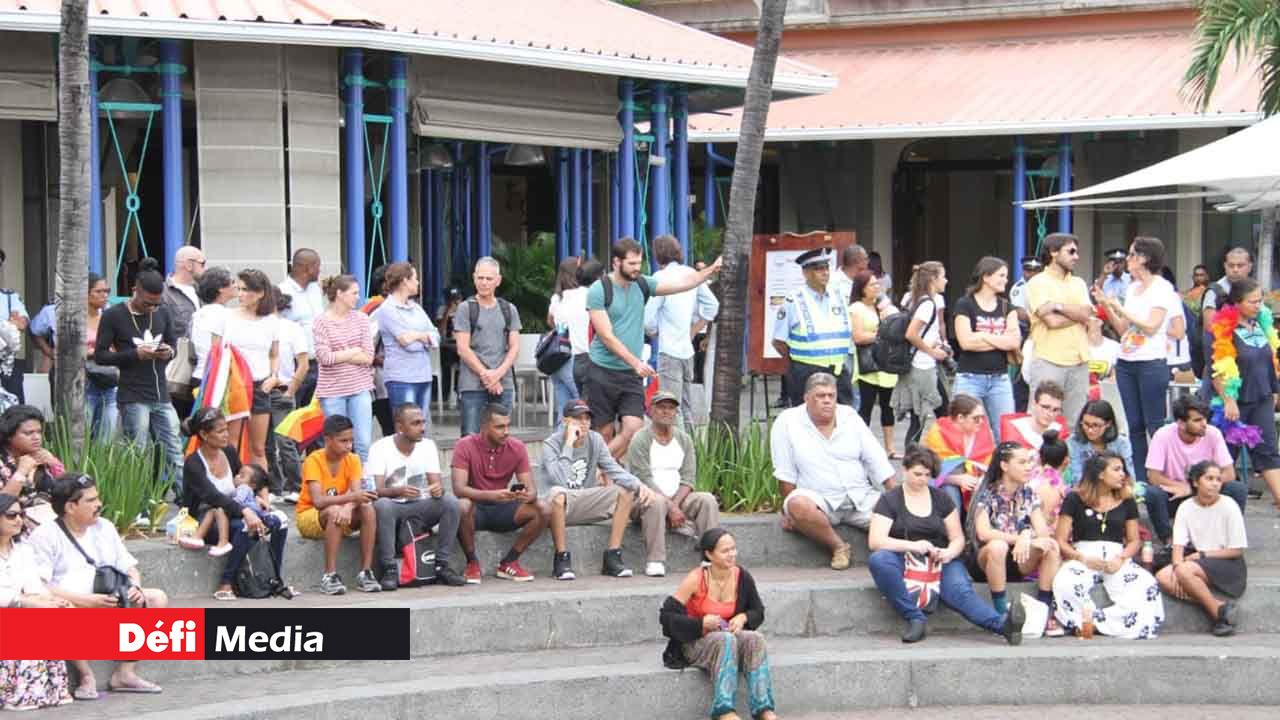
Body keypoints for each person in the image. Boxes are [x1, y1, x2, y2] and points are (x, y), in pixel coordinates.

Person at [867, 445, 1025, 644]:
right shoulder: (889, 500)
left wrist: (949, 552)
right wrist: (913, 546)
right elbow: (876, 540)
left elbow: (957, 538)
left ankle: (1002, 626)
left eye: (927, 475)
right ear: (904, 470)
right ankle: (914, 616)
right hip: (902, 556)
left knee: (960, 591)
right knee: (879, 560)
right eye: (917, 474)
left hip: (940, 558)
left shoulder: (940, 498)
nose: (922, 480)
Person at [30, 474, 168, 693]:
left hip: (111, 601)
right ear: (70, 507)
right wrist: (87, 601)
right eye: (91, 501)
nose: (99, 504)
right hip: (73, 604)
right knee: (57, 610)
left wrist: (135, 586)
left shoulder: (104, 526)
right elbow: (39, 586)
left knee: (156, 597)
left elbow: (128, 566)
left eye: (98, 498)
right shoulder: (45, 534)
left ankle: (125, 673)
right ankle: (85, 677)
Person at [589, 239, 722, 458]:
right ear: (616, 262)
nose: (636, 268)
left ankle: (598, 467)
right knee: (604, 432)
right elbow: (606, 336)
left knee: (632, 428)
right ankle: (604, 476)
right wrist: (636, 362)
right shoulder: (599, 289)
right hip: (603, 370)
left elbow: (682, 285)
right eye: (631, 263)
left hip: (631, 373)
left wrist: (710, 270)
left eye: (639, 263)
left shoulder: (643, 284)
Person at [771, 372, 895, 570]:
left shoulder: (849, 416)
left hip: (861, 498)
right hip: (820, 501)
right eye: (820, 396)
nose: (827, 401)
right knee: (797, 504)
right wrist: (787, 511)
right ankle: (838, 546)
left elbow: (877, 459)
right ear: (806, 398)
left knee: (906, 517)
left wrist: (896, 497)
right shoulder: (787, 422)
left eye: (831, 396)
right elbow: (785, 472)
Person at [537, 399, 665, 579]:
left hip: (585, 500)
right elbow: (560, 479)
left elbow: (614, 470)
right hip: (556, 505)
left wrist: (640, 486)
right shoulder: (551, 444)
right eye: (577, 418)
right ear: (565, 421)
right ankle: (562, 558)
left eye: (587, 419)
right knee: (558, 494)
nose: (583, 423)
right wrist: (569, 445)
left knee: (625, 491)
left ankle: (613, 556)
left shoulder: (595, 440)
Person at [1093, 237, 1183, 487]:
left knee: (1154, 423)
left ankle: (1163, 476)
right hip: (1127, 359)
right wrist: (1107, 306)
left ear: (1144, 258)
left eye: (1132, 255)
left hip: (1151, 361)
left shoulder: (1162, 287)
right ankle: (1141, 480)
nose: (1127, 260)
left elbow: (1153, 326)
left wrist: (1119, 308)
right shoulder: (1132, 288)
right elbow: (1124, 329)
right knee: (1133, 424)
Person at [659, 528, 776, 720]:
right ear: (709, 554)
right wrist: (701, 623)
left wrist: (743, 618)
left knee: (755, 638)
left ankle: (763, 708)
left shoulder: (742, 576)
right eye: (725, 551)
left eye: (733, 549)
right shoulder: (696, 579)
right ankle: (724, 710)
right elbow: (666, 616)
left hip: (726, 639)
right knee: (726, 639)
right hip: (696, 643)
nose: (732, 554)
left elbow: (758, 611)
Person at [179, 408, 293, 600]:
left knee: (279, 521)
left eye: (226, 429)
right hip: (207, 518)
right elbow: (213, 496)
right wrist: (246, 511)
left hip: (234, 509)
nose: (226, 434)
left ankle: (274, 578)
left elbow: (245, 479)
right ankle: (226, 582)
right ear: (204, 435)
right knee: (244, 527)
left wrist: (258, 499)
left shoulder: (229, 452)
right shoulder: (193, 463)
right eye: (220, 431)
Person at [94, 258, 184, 495]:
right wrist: (135, 354)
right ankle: (140, 503)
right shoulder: (114, 315)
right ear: (135, 291)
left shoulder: (162, 312)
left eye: (156, 303)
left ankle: (187, 501)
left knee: (174, 448)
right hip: (133, 394)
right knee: (138, 451)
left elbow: (173, 343)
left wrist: (168, 351)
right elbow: (100, 356)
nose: (152, 308)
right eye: (147, 303)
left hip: (161, 393)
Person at [1052, 452, 1164, 639]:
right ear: (1100, 474)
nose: (1123, 474)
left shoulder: (1127, 500)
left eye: (1123, 470)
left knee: (1146, 584)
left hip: (1116, 556)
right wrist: (1082, 558)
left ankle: (1095, 622)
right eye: (1116, 469)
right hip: (1083, 556)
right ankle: (1084, 621)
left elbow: (1134, 540)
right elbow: (1061, 540)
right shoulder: (1074, 499)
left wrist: (1121, 559)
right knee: (1065, 583)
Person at [365, 403, 466, 590]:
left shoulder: (427, 446)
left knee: (450, 502)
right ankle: (389, 568)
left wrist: (438, 489)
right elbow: (375, 491)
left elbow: (437, 485)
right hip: (393, 508)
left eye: (423, 422)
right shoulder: (380, 448)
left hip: (419, 506)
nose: (422, 428)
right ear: (400, 426)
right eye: (416, 423)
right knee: (383, 505)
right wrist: (398, 491)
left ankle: (442, 565)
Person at [970, 442, 1063, 633]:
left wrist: (1026, 535)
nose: (1029, 467)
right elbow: (983, 533)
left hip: (1019, 558)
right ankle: (1001, 613)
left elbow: (1042, 532)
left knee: (1050, 545)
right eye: (1022, 462)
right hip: (986, 559)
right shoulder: (986, 490)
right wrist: (1017, 539)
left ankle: (1044, 609)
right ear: (1004, 466)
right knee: (998, 546)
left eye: (1029, 461)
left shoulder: (1028, 492)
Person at [1205, 278, 1280, 509]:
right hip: (1235, 402)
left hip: (1262, 399)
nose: (1259, 306)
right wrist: (1228, 400)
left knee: (1268, 450)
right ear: (1237, 303)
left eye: (1260, 301)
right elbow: (1217, 371)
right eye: (1253, 302)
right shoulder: (1224, 330)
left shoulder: (1261, 324)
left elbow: (1271, 362)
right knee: (1225, 454)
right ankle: (1210, 503)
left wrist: (1275, 391)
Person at [452, 404, 548, 583]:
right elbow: (459, 489)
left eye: (507, 426)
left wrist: (528, 495)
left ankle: (510, 561)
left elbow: (532, 488)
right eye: (499, 427)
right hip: (476, 510)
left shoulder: (517, 447)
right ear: (484, 427)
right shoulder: (464, 445)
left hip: (504, 508)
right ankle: (472, 562)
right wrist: (492, 495)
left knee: (542, 508)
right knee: (461, 505)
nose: (506, 432)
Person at [0, 492, 74, 709]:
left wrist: (51, 600)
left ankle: (51, 691)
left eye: (21, 514)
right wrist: (23, 601)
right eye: (11, 515)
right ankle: (20, 694)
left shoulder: (22, 550)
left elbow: (33, 585)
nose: (19, 520)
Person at [1155, 461, 1246, 637]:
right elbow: (1178, 546)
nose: (1215, 483)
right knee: (1163, 577)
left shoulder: (1229, 505)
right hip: (1198, 562)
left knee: (1185, 570)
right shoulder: (1186, 507)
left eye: (1218, 479)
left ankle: (1217, 614)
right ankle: (1219, 608)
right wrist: (1176, 567)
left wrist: (1201, 555)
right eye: (1209, 478)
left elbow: (1237, 550)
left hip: (1227, 561)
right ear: (1196, 482)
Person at [1145, 395, 1249, 544]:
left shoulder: (1213, 434)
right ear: (1181, 423)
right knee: (1153, 493)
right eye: (1197, 420)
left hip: (1204, 491)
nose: (1204, 424)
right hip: (1175, 493)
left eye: (1204, 419)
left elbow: (1229, 473)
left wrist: (1194, 487)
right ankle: (1170, 541)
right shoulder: (1162, 435)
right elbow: (1153, 476)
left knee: (1237, 489)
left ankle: (1227, 539)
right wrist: (1179, 487)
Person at [297, 414, 380, 595]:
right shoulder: (313, 460)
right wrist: (346, 503)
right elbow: (318, 501)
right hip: (310, 515)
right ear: (327, 440)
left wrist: (348, 507)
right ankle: (329, 575)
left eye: (351, 440)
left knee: (367, 508)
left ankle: (366, 572)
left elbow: (357, 494)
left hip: (342, 513)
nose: (349, 446)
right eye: (343, 441)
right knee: (334, 511)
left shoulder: (353, 459)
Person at [645, 235, 721, 429]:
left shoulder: (659, 278)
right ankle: (692, 450)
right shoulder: (691, 273)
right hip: (687, 350)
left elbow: (648, 320)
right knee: (686, 408)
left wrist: (654, 331)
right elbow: (713, 305)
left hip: (668, 350)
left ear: (657, 255)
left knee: (669, 407)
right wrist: (694, 329)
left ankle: (676, 451)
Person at [626, 390, 722, 543]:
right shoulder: (640, 439)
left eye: (671, 408)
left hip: (679, 500)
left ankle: (710, 553)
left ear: (675, 412)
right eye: (661, 407)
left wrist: (674, 506)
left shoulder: (684, 439)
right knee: (657, 502)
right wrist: (669, 506)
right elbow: (643, 479)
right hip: (647, 500)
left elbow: (688, 478)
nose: (666, 411)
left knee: (707, 499)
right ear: (651, 411)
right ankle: (655, 562)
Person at [211, 269, 280, 470]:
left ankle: (262, 493)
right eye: (238, 289)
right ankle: (229, 490)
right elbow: (214, 353)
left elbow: (274, 354)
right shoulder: (226, 317)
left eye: (245, 289)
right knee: (229, 443)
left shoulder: (271, 321)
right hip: (232, 383)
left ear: (260, 293)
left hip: (260, 384)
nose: (239, 294)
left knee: (258, 447)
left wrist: (274, 376)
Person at [771, 246, 855, 409]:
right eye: (819, 269)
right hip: (806, 372)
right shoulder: (793, 301)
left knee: (843, 420)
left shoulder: (839, 296)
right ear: (806, 273)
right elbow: (778, 342)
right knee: (807, 423)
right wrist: (799, 362)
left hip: (838, 371)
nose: (825, 273)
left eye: (826, 268)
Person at [1025, 233, 1094, 425]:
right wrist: (1078, 315)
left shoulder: (1078, 283)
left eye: (1077, 252)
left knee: (1076, 425)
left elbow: (1087, 315)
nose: (1076, 257)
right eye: (1071, 251)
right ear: (1053, 252)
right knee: (1041, 422)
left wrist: (1058, 306)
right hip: (1049, 360)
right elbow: (1051, 322)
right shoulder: (1037, 282)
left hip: (1079, 361)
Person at [952, 257, 1021, 441]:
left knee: (1007, 434)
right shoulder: (965, 304)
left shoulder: (1008, 307)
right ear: (986, 277)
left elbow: (1014, 342)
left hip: (1000, 378)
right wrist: (999, 338)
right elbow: (966, 342)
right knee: (964, 432)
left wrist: (981, 335)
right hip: (969, 378)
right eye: (1001, 275)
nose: (1006, 280)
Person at [453, 257, 521, 436]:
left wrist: (498, 374)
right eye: (480, 278)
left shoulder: (509, 309)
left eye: (488, 279)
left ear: (498, 281)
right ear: (474, 278)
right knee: (471, 438)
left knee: (500, 437)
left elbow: (514, 347)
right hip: (472, 385)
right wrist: (487, 376)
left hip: (503, 383)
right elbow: (462, 348)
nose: (483, 283)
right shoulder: (465, 308)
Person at [313, 275, 375, 463]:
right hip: (332, 391)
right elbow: (325, 358)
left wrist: (341, 354)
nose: (358, 297)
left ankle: (364, 481)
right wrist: (354, 351)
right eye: (354, 293)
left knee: (363, 441)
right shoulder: (321, 321)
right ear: (339, 294)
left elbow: (368, 356)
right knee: (336, 442)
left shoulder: (362, 319)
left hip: (360, 388)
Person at [376, 262, 440, 422]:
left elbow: (436, 336)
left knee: (421, 426)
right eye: (415, 279)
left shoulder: (416, 308)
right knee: (407, 425)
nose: (418, 283)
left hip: (423, 375)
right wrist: (424, 337)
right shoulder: (387, 309)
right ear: (405, 281)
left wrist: (417, 335)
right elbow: (407, 343)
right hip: (401, 377)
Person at [849, 270, 898, 457]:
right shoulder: (856, 308)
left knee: (888, 406)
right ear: (862, 288)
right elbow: (858, 337)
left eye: (878, 284)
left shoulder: (882, 306)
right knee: (866, 406)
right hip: (867, 364)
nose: (877, 287)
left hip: (885, 364)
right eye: (872, 285)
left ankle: (890, 447)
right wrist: (881, 335)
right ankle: (861, 447)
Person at [922, 394, 994, 514]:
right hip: (945, 485)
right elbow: (926, 475)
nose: (981, 422)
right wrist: (956, 479)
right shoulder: (938, 434)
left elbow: (990, 466)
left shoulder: (983, 433)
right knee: (950, 490)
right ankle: (953, 530)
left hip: (975, 483)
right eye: (976, 418)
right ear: (960, 418)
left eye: (982, 417)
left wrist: (980, 481)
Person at [268, 289, 308, 502]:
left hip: (282, 388)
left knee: (285, 440)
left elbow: (303, 363)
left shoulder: (292, 328)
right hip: (260, 389)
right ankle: (274, 487)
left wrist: (292, 388)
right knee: (265, 443)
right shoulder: (256, 326)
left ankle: (295, 486)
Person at [0, 406, 65, 523]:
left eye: (39, 432)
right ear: (9, 435)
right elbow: (2, 503)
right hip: (14, 525)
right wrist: (21, 472)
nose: (36, 438)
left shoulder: (41, 455)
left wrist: (54, 464)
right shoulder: (2, 461)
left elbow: (68, 491)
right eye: (28, 433)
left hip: (49, 519)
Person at [279, 248, 325, 406]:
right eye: (318, 266)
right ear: (308, 268)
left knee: (314, 418)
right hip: (297, 365)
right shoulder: (283, 291)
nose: (320, 270)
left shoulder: (315, 290)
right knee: (293, 414)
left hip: (319, 363)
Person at [545, 257, 584, 418]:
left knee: (564, 411)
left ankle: (560, 442)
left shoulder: (557, 298)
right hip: (577, 357)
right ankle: (582, 443)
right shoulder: (585, 294)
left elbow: (550, 320)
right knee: (582, 407)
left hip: (558, 358)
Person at [1068, 399, 1135, 484]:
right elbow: (1076, 477)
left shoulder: (1121, 442)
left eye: (1096, 425)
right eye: (1086, 424)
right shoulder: (1074, 441)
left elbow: (1129, 476)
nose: (1090, 430)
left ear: (1108, 424)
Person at [189, 266, 236, 385]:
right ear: (220, 288)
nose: (236, 286)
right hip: (217, 379)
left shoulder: (197, 315)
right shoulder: (227, 315)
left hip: (198, 375)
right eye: (232, 282)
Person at [83, 274, 117, 439]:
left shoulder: (109, 317)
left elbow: (120, 347)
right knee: (82, 436)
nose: (105, 295)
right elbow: (65, 352)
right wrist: (94, 352)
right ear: (86, 293)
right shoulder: (75, 319)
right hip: (84, 381)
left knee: (106, 438)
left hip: (108, 380)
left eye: (107, 291)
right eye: (99, 291)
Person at [999, 381, 1069, 452]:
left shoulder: (1060, 430)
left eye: (1056, 410)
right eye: (1045, 407)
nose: (1050, 414)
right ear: (1034, 404)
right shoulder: (1014, 429)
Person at [0, 250, 29, 403]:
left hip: (7, 363)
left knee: (15, 412)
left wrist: (13, 324)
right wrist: (8, 324)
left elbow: (22, 323)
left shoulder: (9, 297)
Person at [1200, 247, 1253, 329]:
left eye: (1240, 265)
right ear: (1225, 266)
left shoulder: (1254, 288)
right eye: (1231, 265)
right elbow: (1209, 328)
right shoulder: (1214, 291)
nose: (1235, 270)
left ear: (1249, 267)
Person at [436, 287, 463, 404]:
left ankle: (459, 390)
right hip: (447, 343)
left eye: (457, 300)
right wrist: (448, 312)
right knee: (446, 360)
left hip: (461, 343)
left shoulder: (465, 310)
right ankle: (446, 391)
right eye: (452, 300)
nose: (455, 303)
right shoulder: (442, 310)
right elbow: (440, 331)